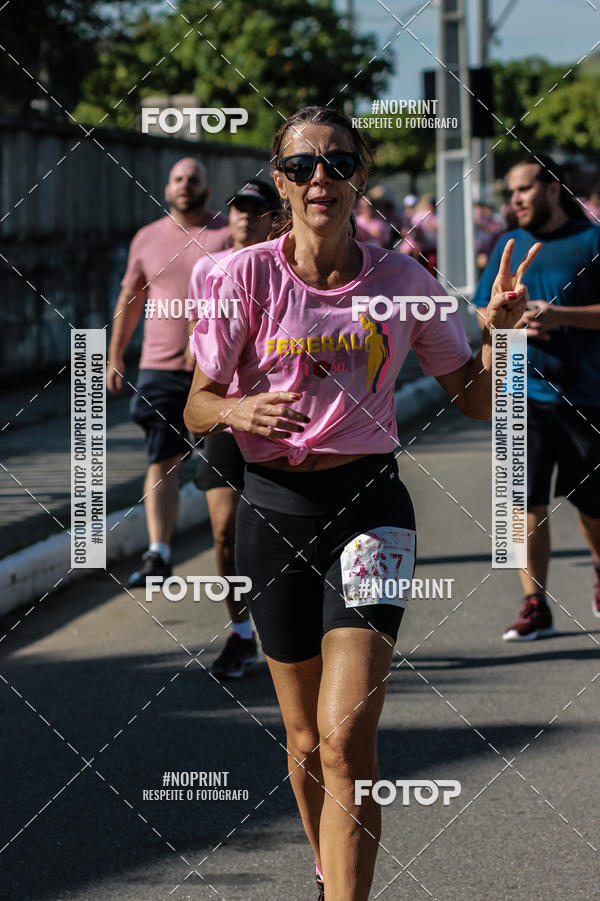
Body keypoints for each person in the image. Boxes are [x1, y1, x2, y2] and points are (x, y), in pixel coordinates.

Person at [183, 105, 536, 901]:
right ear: (281, 181)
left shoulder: (404, 281)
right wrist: (238, 410)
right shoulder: (242, 278)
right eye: (302, 165)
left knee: (346, 740)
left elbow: (476, 399)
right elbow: (198, 405)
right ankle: (327, 868)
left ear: (361, 177)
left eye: (339, 163)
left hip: (370, 507)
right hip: (273, 509)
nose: (321, 178)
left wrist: (503, 339)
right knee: (306, 739)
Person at [473, 153, 600, 640]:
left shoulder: (591, 239)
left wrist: (560, 315)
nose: (515, 200)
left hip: (586, 396)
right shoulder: (508, 244)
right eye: (510, 192)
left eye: (523, 189)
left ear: (552, 189)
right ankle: (535, 605)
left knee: (593, 506)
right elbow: (482, 311)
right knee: (521, 504)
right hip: (518, 393)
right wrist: (507, 321)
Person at [106, 157, 229, 587]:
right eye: (178, 178)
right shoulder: (147, 238)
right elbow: (130, 298)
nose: (185, 184)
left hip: (219, 371)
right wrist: (115, 354)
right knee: (162, 457)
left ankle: (234, 542)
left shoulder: (227, 235)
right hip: (159, 367)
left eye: (194, 178)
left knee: (225, 461)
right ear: (167, 188)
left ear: (207, 189)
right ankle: (158, 552)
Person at [187, 179, 281, 678]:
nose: (243, 216)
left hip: (277, 418)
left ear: (274, 217)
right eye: (238, 208)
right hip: (225, 417)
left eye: (255, 208)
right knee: (224, 533)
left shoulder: (286, 266)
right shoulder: (208, 268)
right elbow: (196, 339)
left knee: (280, 535)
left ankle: (292, 631)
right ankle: (241, 633)